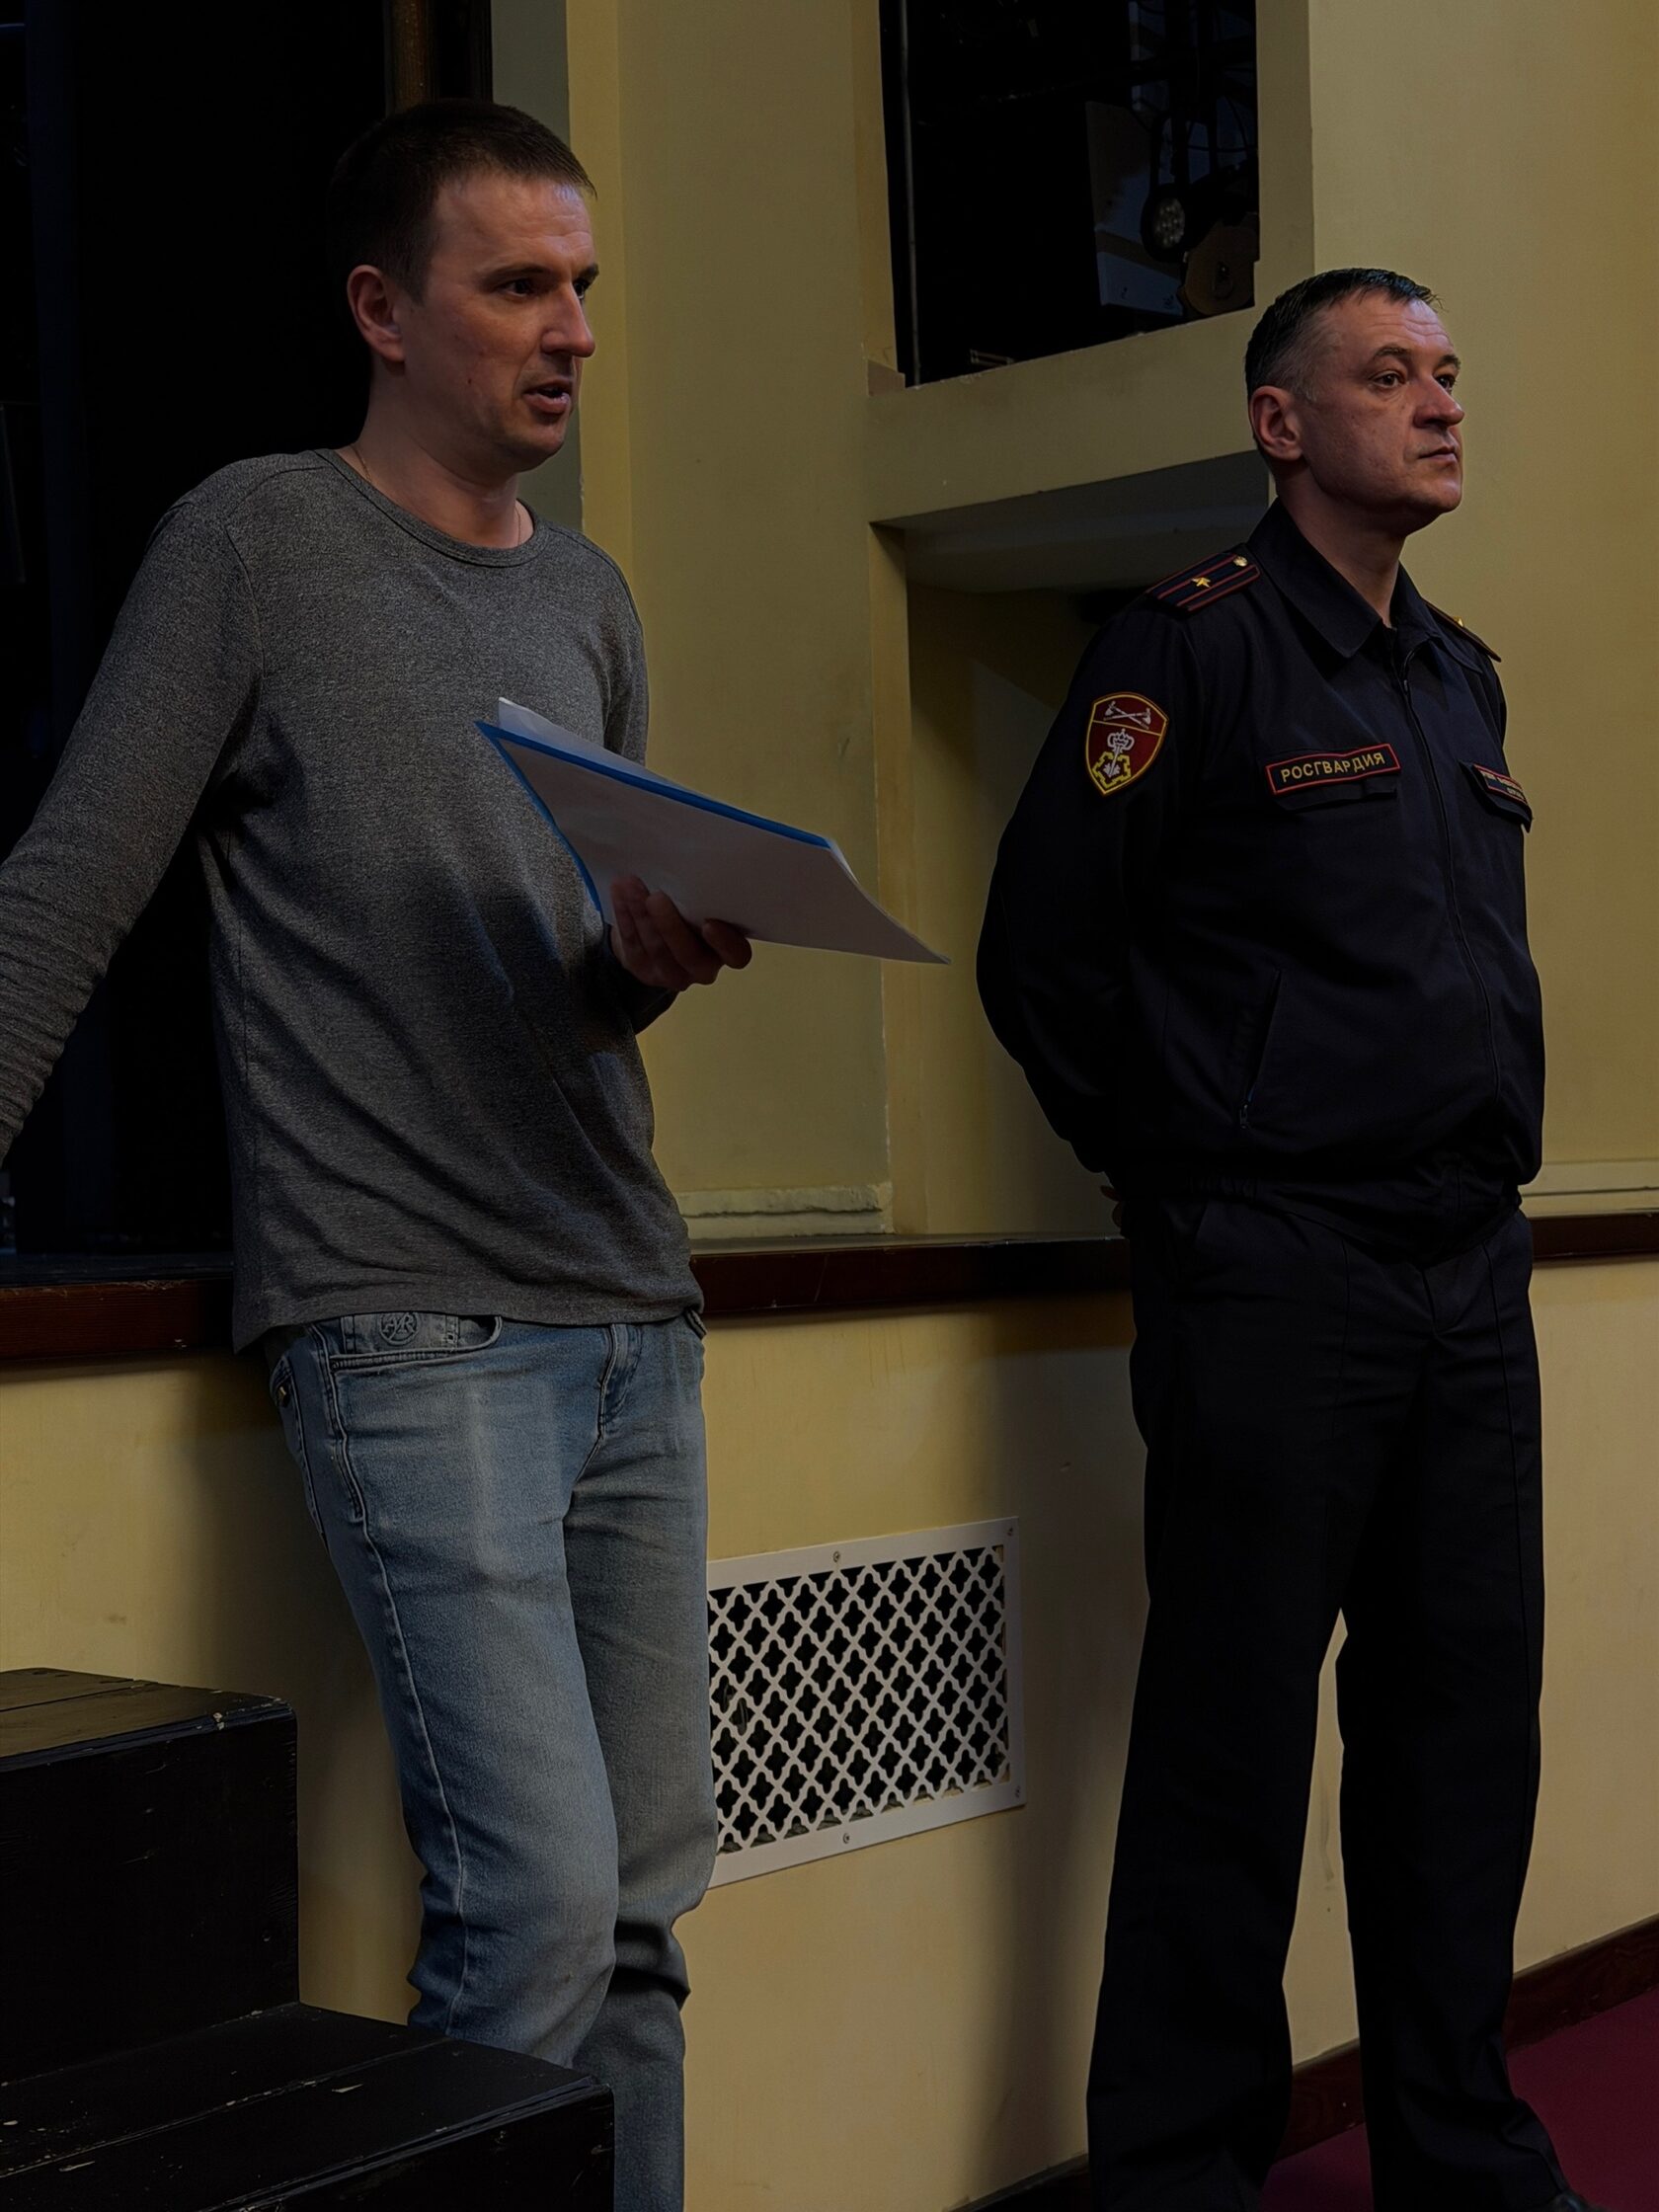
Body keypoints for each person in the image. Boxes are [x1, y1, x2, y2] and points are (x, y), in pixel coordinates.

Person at [0, 100, 749, 2211]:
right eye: (518, 283)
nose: (572, 327)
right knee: (533, 1915)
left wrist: (639, 963)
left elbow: (556, 984)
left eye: (582, 285)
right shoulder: (256, 540)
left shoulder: (588, 595)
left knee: (642, 1926)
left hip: (632, 1314)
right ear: (382, 309)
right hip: (412, 1328)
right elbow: (67, 889)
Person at [979, 271, 1608, 2212]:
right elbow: (1044, 957)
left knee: (1460, 1732)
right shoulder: (1189, 650)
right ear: (1281, 425)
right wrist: (1188, 1170)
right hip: (1274, 1270)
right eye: (1389, 374)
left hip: (1467, 1272)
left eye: (1448, 373)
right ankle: (1179, 2172)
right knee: (1229, 1745)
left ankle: (1459, 2152)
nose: (1439, 403)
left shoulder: (1457, 677)